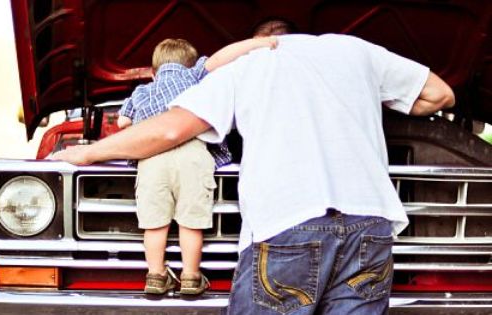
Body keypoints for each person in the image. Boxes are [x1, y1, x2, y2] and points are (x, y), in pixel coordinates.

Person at [49, 33, 454, 313]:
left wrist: (88, 154)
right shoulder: (358, 51)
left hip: (289, 223)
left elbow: (172, 129)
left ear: (261, 37)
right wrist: (365, 100)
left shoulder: (249, 63)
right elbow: (440, 95)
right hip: (371, 225)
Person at [112, 37, 278, 295]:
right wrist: (262, 42)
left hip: (151, 156)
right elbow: (225, 55)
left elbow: (122, 122)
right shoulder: (196, 76)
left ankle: (155, 276)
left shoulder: (141, 91)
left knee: (154, 224)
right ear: (192, 64)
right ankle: (190, 277)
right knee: (191, 223)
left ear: (154, 73)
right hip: (194, 154)